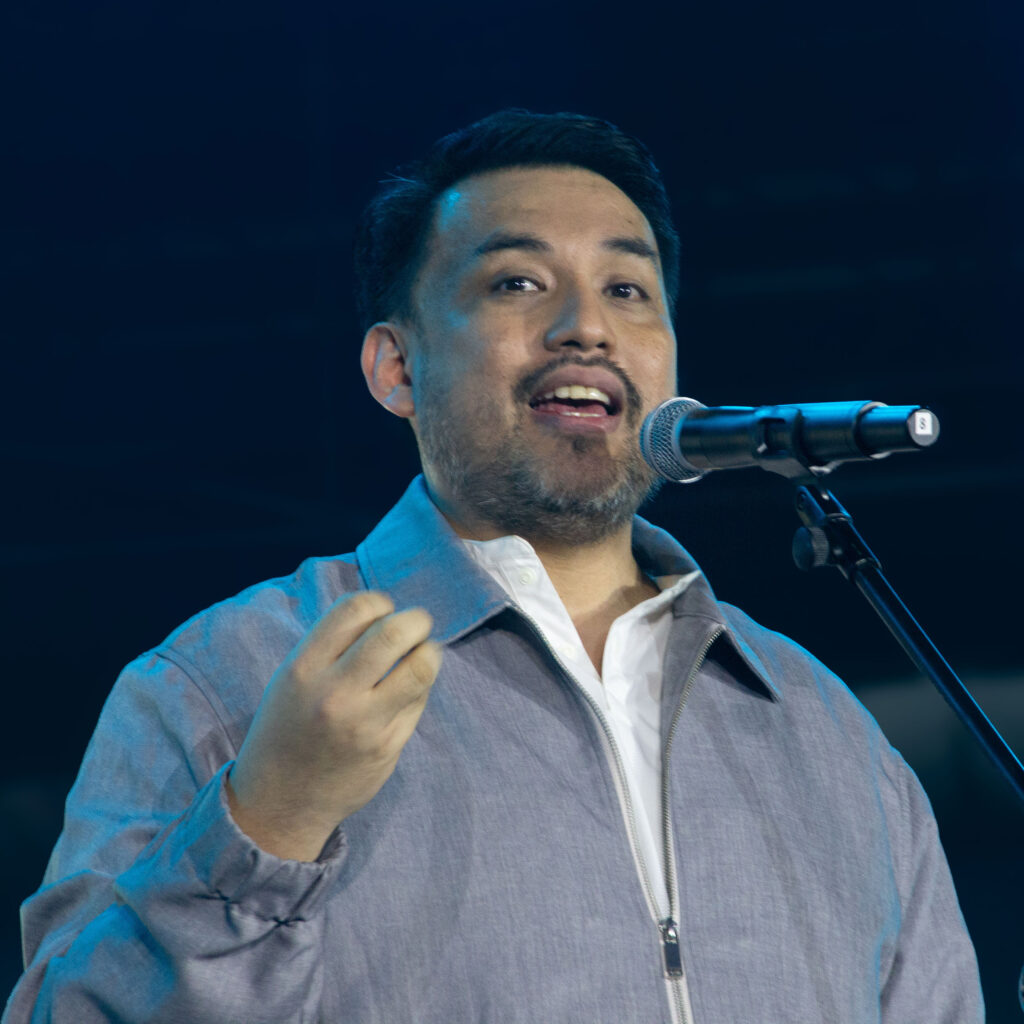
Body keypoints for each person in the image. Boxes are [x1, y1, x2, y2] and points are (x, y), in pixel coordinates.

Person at [4, 110, 983, 1023]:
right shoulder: (221, 682)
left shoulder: (828, 734)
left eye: (627, 289)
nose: (586, 326)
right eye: (517, 282)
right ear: (397, 369)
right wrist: (266, 825)